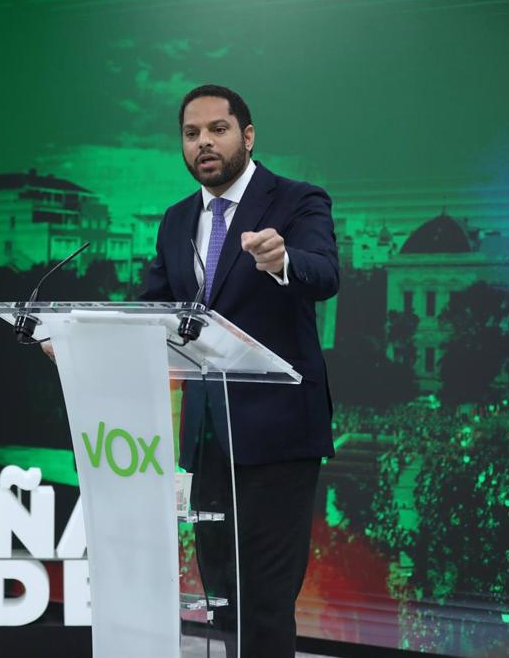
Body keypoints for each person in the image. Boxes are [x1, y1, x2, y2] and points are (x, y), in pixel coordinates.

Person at [140, 84, 339, 657]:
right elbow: (154, 309)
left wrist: (284, 262)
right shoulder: (177, 221)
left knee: (265, 600)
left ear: (247, 137)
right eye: (191, 133)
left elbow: (325, 274)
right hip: (207, 441)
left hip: (278, 436)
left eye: (218, 130)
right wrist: (80, 341)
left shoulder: (297, 201)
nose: (204, 142)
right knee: (223, 595)